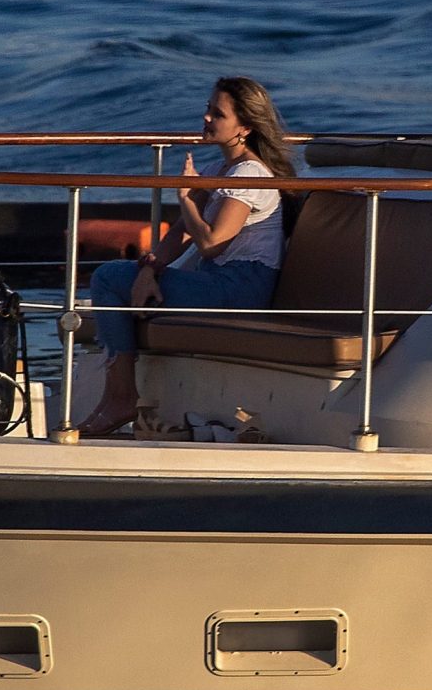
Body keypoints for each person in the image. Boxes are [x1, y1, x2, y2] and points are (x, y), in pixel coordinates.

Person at [76, 76, 294, 436]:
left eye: (217, 114)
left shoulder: (249, 174)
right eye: (208, 109)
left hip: (240, 288)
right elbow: (180, 234)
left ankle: (120, 398)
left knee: (107, 278)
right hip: (217, 281)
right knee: (121, 278)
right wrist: (150, 269)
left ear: (245, 128)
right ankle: (116, 398)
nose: (206, 117)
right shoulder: (218, 170)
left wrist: (187, 198)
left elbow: (211, 243)